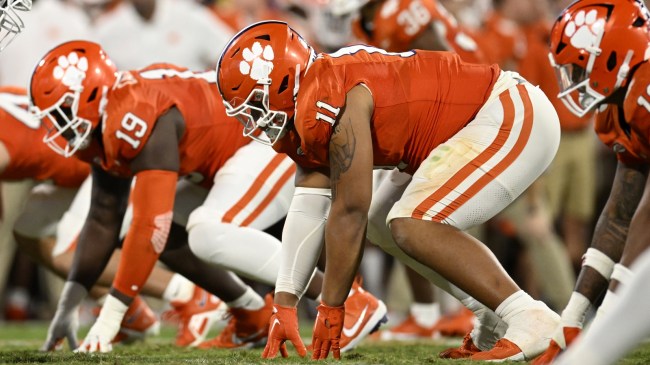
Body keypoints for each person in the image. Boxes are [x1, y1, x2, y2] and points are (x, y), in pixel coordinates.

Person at [217, 20, 562, 361]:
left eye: (255, 106)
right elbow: (307, 207)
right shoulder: (310, 99)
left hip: (507, 111)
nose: (254, 123)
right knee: (383, 221)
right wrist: (285, 304)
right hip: (473, 125)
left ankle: (529, 317)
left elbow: (349, 210)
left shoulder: (326, 98)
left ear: (281, 81)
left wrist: (333, 306)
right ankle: (493, 315)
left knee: (412, 222)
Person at [29, 40, 385, 353]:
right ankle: (251, 316)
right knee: (171, 233)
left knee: (204, 230)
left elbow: (149, 224)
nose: (57, 128)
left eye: (60, 113)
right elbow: (103, 218)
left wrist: (108, 319)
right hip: (226, 158)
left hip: (262, 140)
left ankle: (347, 302)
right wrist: (67, 308)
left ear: (90, 95)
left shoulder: (134, 113)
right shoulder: (106, 122)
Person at [328, 0, 485, 341]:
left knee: (419, 216)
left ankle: (469, 310)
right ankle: (427, 316)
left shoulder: (402, 10)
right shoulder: (371, 20)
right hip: (434, 114)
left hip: (460, 109)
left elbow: (446, 66)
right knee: (389, 215)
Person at [533, 0, 650, 363]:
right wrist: (575, 313)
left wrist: (605, 319)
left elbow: (645, 219)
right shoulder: (622, 103)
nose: (573, 78)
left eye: (579, 66)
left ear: (613, 57)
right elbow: (617, 217)